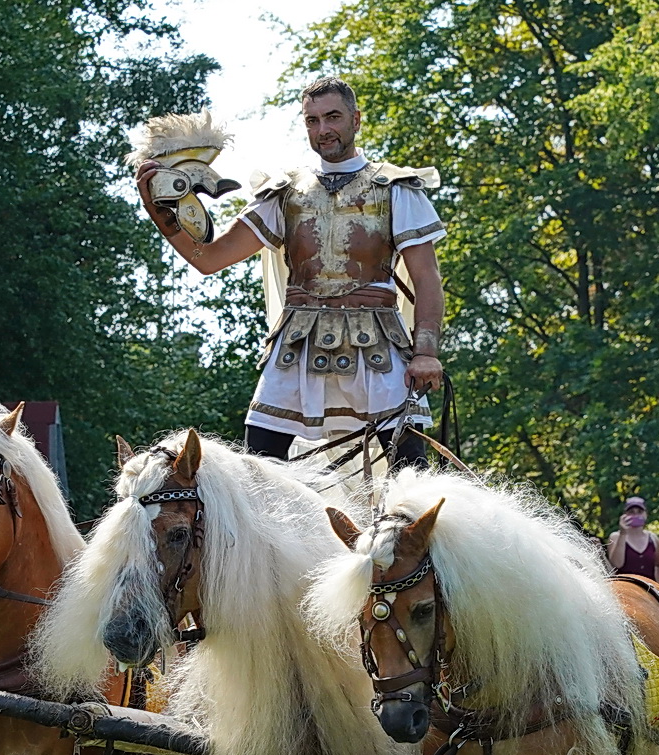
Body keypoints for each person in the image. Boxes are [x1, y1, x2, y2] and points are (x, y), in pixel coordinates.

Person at [136, 78, 442, 466]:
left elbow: (427, 277)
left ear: (356, 120)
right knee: (261, 467)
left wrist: (426, 352)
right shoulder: (284, 192)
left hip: (378, 340)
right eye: (312, 120)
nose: (323, 129)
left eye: (332, 117)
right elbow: (209, 259)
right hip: (298, 341)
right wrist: (162, 215)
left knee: (408, 468)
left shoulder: (396, 188)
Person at [604, 496, 659, 580]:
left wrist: (658, 583)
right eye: (631, 512)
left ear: (645, 514)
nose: (636, 515)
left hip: (648, 589)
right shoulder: (616, 537)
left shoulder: (653, 539)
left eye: (639, 512)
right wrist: (623, 533)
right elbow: (617, 564)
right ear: (625, 515)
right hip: (625, 588)